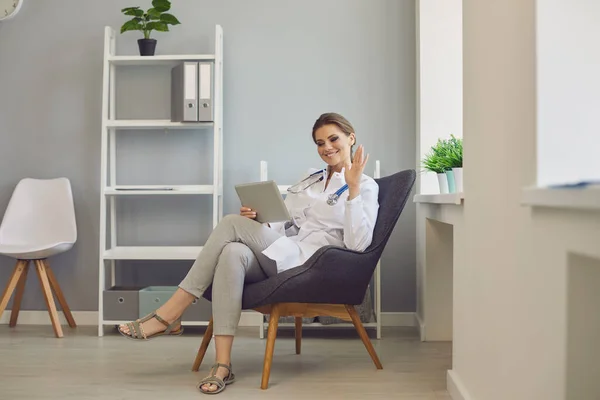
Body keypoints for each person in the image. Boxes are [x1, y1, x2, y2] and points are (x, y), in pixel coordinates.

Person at [118, 112, 380, 395]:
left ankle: (170, 313)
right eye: (319, 143)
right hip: (285, 251)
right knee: (232, 251)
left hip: (312, 265)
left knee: (231, 223)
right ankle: (222, 365)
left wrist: (352, 189)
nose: (326, 147)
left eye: (333, 139)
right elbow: (284, 222)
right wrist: (259, 221)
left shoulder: (365, 186)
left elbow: (358, 245)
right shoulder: (310, 179)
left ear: (350, 138)